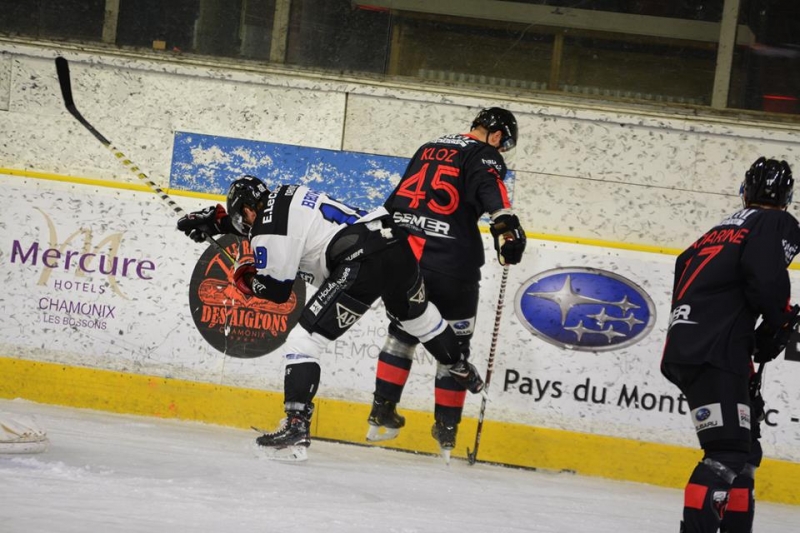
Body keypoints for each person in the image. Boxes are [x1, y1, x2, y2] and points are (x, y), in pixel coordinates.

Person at [176, 175, 485, 460]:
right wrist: (218, 222)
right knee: (419, 318)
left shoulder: (266, 229)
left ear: (246, 210)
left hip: (361, 261)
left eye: (240, 217)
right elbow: (277, 226)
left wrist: (246, 278)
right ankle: (459, 365)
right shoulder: (286, 193)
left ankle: (296, 425)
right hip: (395, 246)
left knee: (304, 341)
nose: (242, 225)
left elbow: (277, 290)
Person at [365, 107, 527, 454]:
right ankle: (447, 431)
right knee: (454, 347)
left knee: (403, 333)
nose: (501, 150)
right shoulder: (484, 154)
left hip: (405, 259)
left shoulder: (429, 147)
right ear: (497, 135)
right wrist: (506, 227)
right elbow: (491, 190)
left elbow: (396, 202)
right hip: (452, 263)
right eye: (503, 144)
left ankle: (380, 414)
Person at [661, 157, 800, 532]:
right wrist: (779, 320)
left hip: (695, 346)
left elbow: (686, 268)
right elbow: (766, 278)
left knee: (745, 452)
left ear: (744, 191)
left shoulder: (714, 232)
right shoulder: (775, 221)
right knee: (727, 454)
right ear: (786, 197)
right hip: (716, 351)